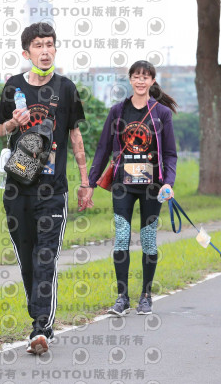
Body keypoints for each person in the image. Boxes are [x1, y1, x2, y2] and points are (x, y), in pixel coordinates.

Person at [0, 22, 92, 355]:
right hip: (17, 188)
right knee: (27, 260)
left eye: (50, 44)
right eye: (38, 45)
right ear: (27, 53)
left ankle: (41, 328)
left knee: (45, 258)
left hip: (53, 189)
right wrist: (14, 122)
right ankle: (37, 317)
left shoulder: (66, 88)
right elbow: (0, 129)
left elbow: (75, 135)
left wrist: (85, 181)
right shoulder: (13, 86)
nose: (45, 51)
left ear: (55, 49)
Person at [87, 60, 177, 316]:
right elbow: (103, 148)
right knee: (122, 236)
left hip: (152, 186)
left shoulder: (161, 113)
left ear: (152, 81)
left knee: (148, 240)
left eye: (145, 77)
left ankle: (146, 296)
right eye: (136, 76)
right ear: (130, 79)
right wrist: (90, 183)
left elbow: (170, 153)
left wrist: (168, 182)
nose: (140, 80)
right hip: (122, 184)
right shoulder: (118, 111)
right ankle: (122, 297)